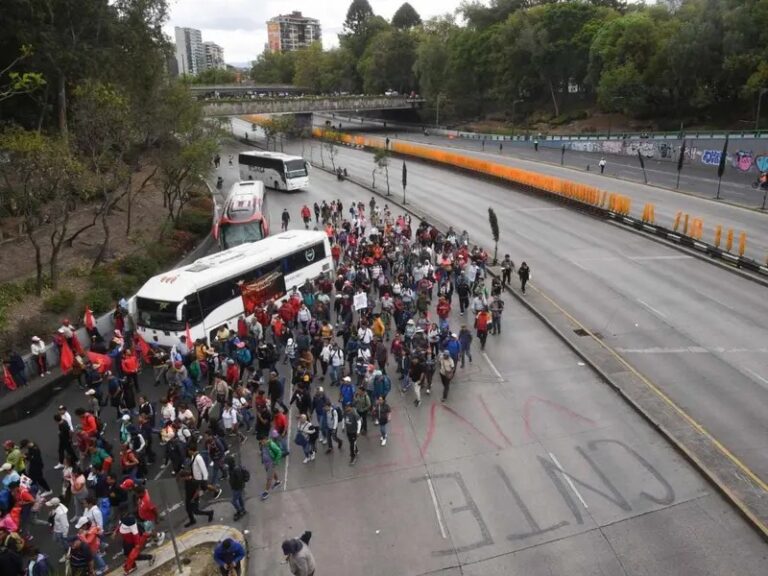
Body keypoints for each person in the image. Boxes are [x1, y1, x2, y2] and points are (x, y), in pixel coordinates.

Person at [258, 436, 281, 500]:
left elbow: (279, 452)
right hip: (266, 464)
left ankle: (266, 492)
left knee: (269, 478)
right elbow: (263, 452)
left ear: (266, 439)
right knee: (273, 472)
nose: (262, 443)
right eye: (260, 442)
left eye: (262, 441)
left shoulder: (271, 444)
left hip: (271, 463)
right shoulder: (263, 445)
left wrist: (275, 462)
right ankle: (277, 482)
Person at [226, 455, 249, 520]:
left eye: (227, 463)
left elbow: (239, 480)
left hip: (237, 488)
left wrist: (231, 481)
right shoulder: (233, 468)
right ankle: (243, 510)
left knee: (233, 501)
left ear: (230, 463)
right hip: (237, 487)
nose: (226, 465)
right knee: (239, 498)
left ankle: (240, 511)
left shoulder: (235, 470)